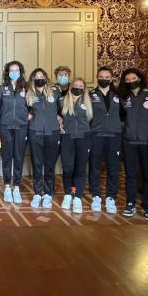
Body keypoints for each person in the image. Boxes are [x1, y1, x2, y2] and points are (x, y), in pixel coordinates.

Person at [119, 68, 148, 220]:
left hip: (147, 142)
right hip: (129, 142)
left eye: (133, 79)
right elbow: (121, 118)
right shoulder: (123, 97)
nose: (130, 82)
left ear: (139, 78)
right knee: (131, 175)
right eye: (127, 80)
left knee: (147, 176)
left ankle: (147, 207)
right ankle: (130, 204)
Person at [26, 68, 62, 209]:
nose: (39, 78)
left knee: (50, 164)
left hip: (53, 132)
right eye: (36, 77)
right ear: (33, 79)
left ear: (46, 77)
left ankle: (48, 193)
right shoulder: (28, 92)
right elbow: (24, 110)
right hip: (35, 131)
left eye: (41, 76)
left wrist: (60, 119)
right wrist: (28, 115)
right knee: (37, 163)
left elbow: (62, 109)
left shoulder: (55, 91)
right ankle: (37, 193)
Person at [89, 66, 122, 214]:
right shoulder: (90, 94)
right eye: (101, 77)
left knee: (113, 167)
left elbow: (124, 114)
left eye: (107, 77)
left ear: (111, 78)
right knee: (95, 166)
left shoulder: (119, 94)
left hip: (114, 135)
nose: (104, 79)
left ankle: (110, 197)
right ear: (97, 77)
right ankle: (96, 195)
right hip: (96, 134)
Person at [58, 77, 92, 213]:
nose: (78, 88)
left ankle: (77, 196)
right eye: (75, 85)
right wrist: (59, 121)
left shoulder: (88, 102)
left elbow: (93, 119)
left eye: (80, 86)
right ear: (71, 86)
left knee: (80, 169)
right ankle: (68, 194)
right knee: (68, 168)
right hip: (67, 138)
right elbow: (54, 114)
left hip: (84, 138)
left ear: (84, 89)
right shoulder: (62, 101)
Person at [0, 61, 29, 204]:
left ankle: (16, 187)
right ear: (7, 72)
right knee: (6, 157)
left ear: (21, 72)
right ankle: (7, 187)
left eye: (17, 70)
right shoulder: (2, 88)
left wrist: (31, 114)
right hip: (5, 126)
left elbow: (33, 105)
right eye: (12, 70)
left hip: (22, 126)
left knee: (18, 157)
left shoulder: (27, 88)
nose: (14, 72)